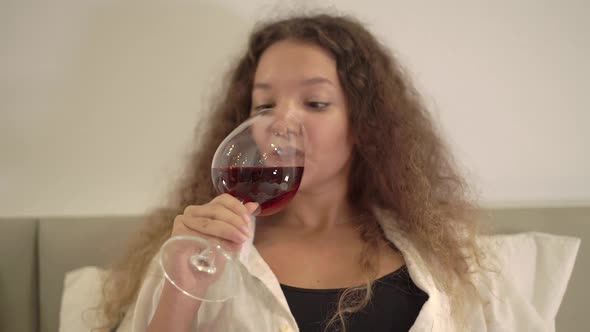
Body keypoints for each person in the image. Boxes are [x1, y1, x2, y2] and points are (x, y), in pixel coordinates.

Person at [97, 14, 549, 332]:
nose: (281, 121)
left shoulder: (449, 257)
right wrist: (182, 292)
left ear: (363, 124)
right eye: (264, 104)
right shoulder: (199, 246)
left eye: (315, 103)